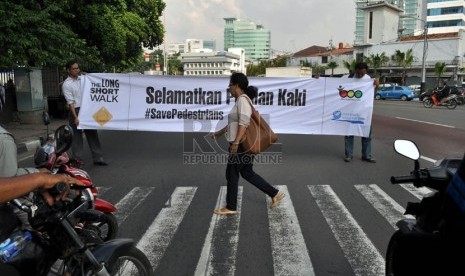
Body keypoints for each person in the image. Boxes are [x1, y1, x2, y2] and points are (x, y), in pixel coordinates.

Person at [210, 72, 285, 215]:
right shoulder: (242, 101)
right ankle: (274, 193)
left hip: (241, 145)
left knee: (232, 173)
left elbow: (243, 124)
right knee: (247, 172)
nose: (229, 88)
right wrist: (219, 133)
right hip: (244, 145)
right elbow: (235, 123)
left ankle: (231, 206)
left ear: (237, 85)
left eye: (230, 85)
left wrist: (236, 142)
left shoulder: (242, 101)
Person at [62, 60, 107, 166]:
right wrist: (75, 117)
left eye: (78, 68)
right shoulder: (66, 84)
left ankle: (98, 158)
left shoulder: (83, 79)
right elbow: (70, 103)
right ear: (68, 70)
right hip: (76, 110)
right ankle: (77, 160)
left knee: (92, 133)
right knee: (76, 136)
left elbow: (93, 79)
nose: (77, 70)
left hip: (87, 110)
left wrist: (85, 74)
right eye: (74, 68)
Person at [344, 62, 378, 163]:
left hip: (365, 112)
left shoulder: (369, 80)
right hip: (350, 111)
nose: (359, 75)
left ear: (366, 71)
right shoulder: (347, 78)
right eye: (358, 73)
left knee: (366, 134)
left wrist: (378, 86)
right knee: (349, 134)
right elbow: (332, 85)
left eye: (361, 74)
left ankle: (366, 155)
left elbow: (373, 95)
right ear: (355, 70)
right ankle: (348, 155)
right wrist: (319, 79)